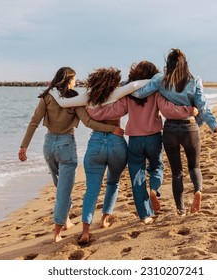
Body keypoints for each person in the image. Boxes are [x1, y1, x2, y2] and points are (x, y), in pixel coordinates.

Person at [18, 67, 123, 243]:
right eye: (74, 79)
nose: (76, 82)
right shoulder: (74, 98)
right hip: (66, 145)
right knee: (63, 191)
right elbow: (88, 122)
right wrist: (112, 128)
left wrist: (24, 146)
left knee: (59, 185)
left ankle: (66, 220)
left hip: (48, 145)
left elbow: (34, 122)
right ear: (68, 80)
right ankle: (58, 232)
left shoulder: (47, 97)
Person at [87, 61, 198, 224]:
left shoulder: (128, 95)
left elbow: (113, 111)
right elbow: (168, 110)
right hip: (153, 137)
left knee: (137, 177)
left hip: (135, 140)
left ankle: (145, 216)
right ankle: (154, 189)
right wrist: (189, 110)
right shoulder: (156, 93)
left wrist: (92, 111)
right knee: (157, 167)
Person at [132, 48, 217, 216]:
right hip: (190, 128)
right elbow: (202, 106)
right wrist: (214, 125)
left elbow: (141, 94)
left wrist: (124, 88)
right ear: (185, 64)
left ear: (168, 64)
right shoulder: (195, 80)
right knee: (194, 167)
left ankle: (181, 210)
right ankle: (198, 191)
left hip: (170, 131)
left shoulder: (160, 80)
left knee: (177, 172)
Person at [77, 67, 128, 245]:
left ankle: (85, 230)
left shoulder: (89, 101)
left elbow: (87, 121)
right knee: (113, 182)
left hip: (96, 143)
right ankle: (105, 219)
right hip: (117, 141)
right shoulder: (119, 99)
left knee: (92, 189)